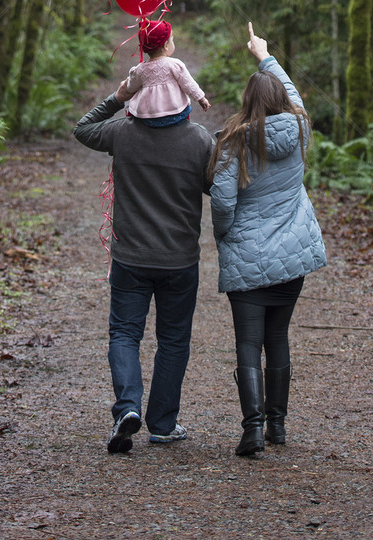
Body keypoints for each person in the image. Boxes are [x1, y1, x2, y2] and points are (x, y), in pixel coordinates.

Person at [73, 59, 214, 454]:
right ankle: (163, 424)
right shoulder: (199, 140)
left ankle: (127, 408)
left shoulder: (122, 132)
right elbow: (217, 187)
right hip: (180, 260)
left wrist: (117, 97)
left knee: (124, 334)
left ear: (140, 100)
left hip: (130, 259)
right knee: (173, 341)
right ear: (182, 97)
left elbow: (82, 129)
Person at [209, 22, 326, 456]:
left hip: (247, 257)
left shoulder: (231, 145)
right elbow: (294, 93)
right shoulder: (300, 130)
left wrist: (225, 237)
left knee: (247, 342)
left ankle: (253, 430)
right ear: (280, 98)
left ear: (246, 101)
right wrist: (264, 56)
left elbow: (222, 206)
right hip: (291, 259)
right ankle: (278, 426)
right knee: (278, 339)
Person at [124, 20, 211, 119]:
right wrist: (201, 98)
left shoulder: (140, 69)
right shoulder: (175, 65)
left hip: (148, 117)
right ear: (165, 45)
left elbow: (131, 88)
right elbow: (188, 84)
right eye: (172, 40)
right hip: (176, 114)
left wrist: (130, 79)